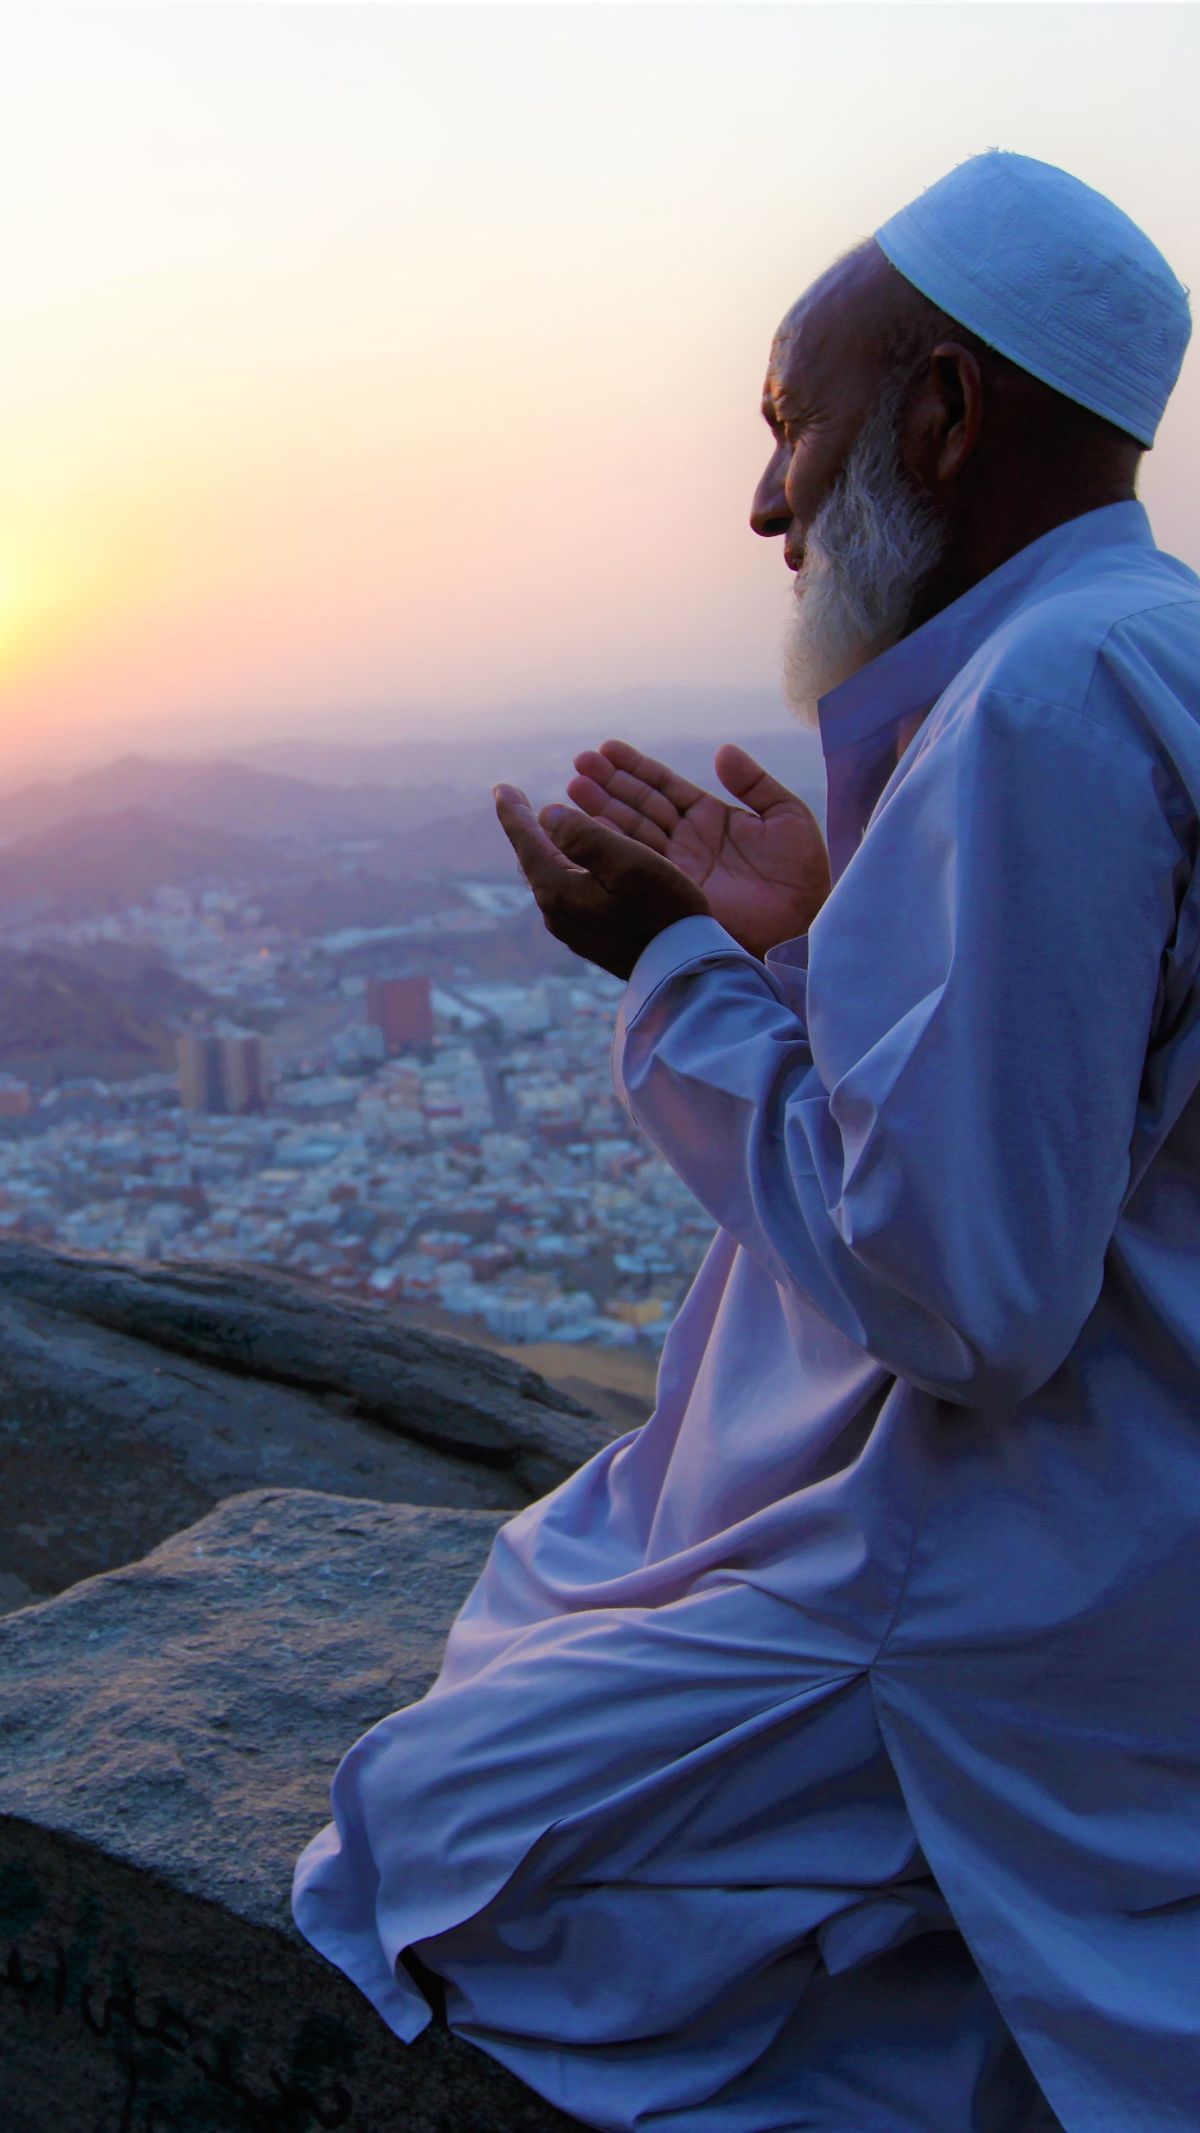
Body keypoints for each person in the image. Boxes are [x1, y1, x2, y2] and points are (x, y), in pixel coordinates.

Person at [293, 152, 1200, 2132]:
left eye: (796, 426)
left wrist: (681, 971)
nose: (768, 501)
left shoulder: (1045, 706)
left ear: (946, 417)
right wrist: (817, 935)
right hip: (1136, 1540)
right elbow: (1078, 1131)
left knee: (427, 1841)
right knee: (561, 1602)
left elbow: (965, 1295)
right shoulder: (1145, 654)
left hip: (1001, 1582)